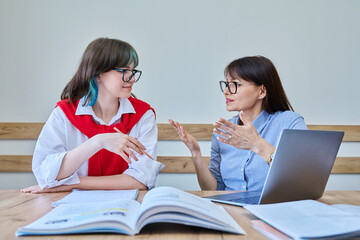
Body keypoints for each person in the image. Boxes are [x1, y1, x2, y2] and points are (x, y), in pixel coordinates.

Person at [21, 37, 163, 193]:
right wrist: (97, 142)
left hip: (126, 205)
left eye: (133, 70)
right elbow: (45, 174)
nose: (132, 78)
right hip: (71, 206)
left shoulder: (143, 115)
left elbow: (141, 179)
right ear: (99, 73)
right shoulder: (64, 113)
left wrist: (73, 183)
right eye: (124, 71)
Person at [169, 56, 307, 191]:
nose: (226, 91)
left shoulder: (290, 123)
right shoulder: (223, 131)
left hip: (274, 209)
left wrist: (257, 144)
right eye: (227, 84)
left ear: (262, 91)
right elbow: (214, 188)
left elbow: (302, 177)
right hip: (230, 209)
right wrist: (195, 153)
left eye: (235, 84)